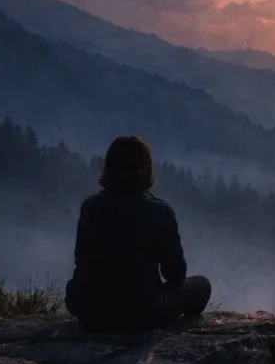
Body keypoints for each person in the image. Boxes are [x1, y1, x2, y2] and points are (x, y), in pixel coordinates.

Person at [65, 135, 211, 332]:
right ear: (145, 169)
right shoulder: (159, 211)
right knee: (201, 285)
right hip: (143, 311)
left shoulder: (90, 206)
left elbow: (81, 262)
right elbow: (175, 274)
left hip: (90, 309)